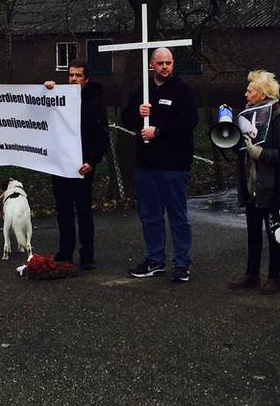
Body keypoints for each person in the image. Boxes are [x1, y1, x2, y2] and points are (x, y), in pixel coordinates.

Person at [121, 47, 199, 283]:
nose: (165, 67)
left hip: (173, 164)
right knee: (150, 215)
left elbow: (189, 120)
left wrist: (159, 131)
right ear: (151, 64)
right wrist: (138, 112)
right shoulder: (143, 90)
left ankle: (182, 263)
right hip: (146, 164)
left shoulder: (182, 90)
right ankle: (154, 259)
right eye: (161, 63)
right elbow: (126, 119)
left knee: (177, 215)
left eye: (169, 62)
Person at [227, 70, 280, 295]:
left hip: (273, 183)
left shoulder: (279, 116)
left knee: (274, 232)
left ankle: (274, 277)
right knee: (253, 231)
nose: (246, 94)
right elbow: (241, 147)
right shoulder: (247, 114)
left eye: (250, 90)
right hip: (251, 181)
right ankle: (252, 274)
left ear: (263, 94)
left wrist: (261, 154)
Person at [43, 59, 109, 270]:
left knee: (83, 211)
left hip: (83, 166)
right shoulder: (58, 97)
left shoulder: (95, 103)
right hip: (60, 164)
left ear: (86, 78)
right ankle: (65, 251)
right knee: (63, 210)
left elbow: (102, 136)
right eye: (71, 75)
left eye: (78, 75)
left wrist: (92, 161)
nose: (73, 79)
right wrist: (46, 91)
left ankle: (87, 254)